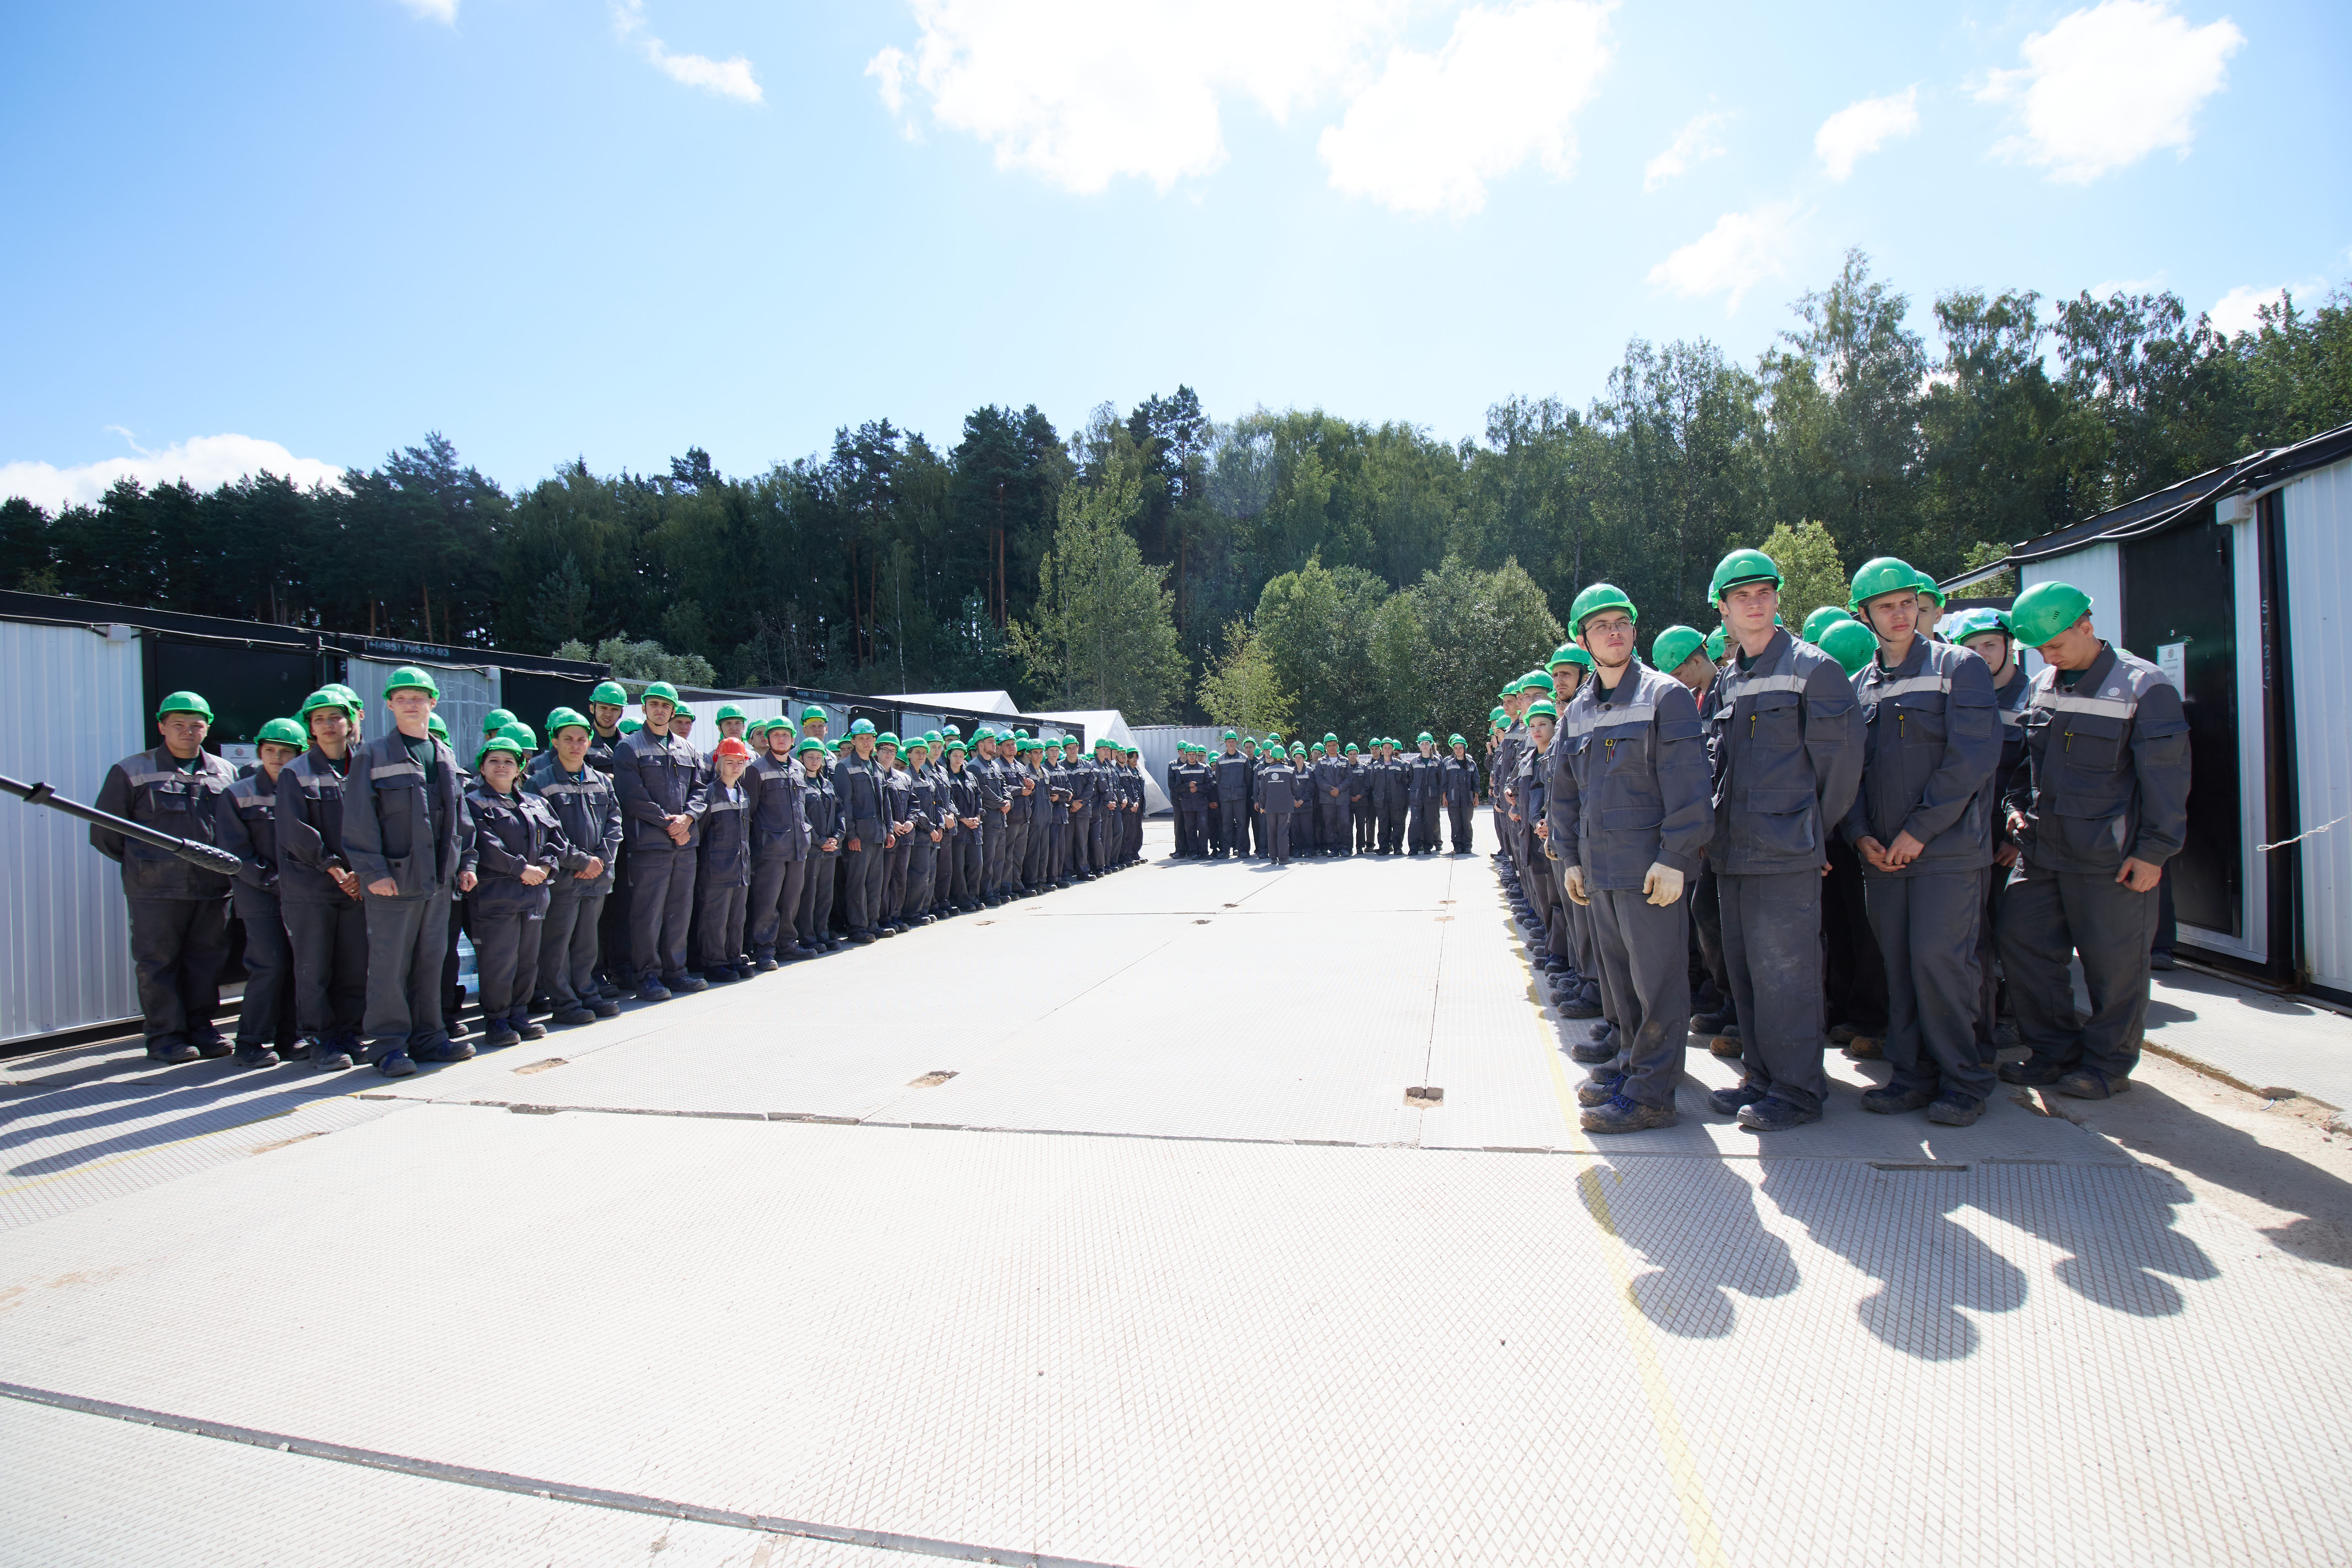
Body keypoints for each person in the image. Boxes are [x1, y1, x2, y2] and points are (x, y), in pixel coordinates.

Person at [1996, 581, 2191, 1099]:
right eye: (2040, 649)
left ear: (2086, 626)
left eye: (2056, 644)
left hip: (2111, 858)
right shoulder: (2043, 685)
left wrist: (2154, 853)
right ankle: (2053, 1052)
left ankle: (2107, 1065)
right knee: (2023, 943)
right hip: (2042, 851)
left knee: (2115, 966)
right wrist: (2013, 809)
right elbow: (2026, 764)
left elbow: (2168, 781)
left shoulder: (2143, 686)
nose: (2049, 656)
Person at [1699, 549, 1862, 1132]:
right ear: (1723, 609)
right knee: (1746, 970)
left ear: (1776, 598)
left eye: (1764, 593)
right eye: (1741, 596)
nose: (1755, 603)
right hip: (1735, 850)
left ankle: (1797, 1089)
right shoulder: (1730, 678)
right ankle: (1762, 1077)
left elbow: (1841, 767)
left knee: (1787, 974)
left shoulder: (1814, 669)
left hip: (1786, 851)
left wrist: (1811, 832)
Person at [1544, 585, 1715, 1132]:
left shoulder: (1665, 696)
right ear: (1584, 640)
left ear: (1635, 630)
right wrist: (1570, 857)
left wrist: (1675, 857)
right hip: (1600, 872)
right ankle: (1631, 1067)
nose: (1614, 632)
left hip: (1649, 872)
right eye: (1601, 626)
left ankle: (1652, 1096)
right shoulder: (1580, 711)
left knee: (1659, 984)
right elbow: (1564, 792)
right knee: (1622, 987)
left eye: (1622, 622)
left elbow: (1690, 786)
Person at [1840, 558, 2002, 1125]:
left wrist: (1920, 831)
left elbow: (1972, 759)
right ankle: (1911, 1075)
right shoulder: (1860, 687)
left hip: (1946, 854)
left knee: (1942, 965)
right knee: (1900, 968)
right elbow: (1850, 772)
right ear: (1865, 616)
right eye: (1886, 606)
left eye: (1907, 603)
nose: (1901, 614)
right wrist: (1859, 834)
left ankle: (1964, 1080)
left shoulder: (1960, 668)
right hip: (1883, 857)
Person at [340, 666, 475, 1078]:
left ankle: (429, 1037)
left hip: (438, 881)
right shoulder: (373, 754)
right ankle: (389, 1045)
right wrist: (373, 872)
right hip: (394, 882)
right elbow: (359, 819)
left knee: (431, 962)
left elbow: (461, 818)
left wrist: (466, 863)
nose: (411, 704)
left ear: (433, 702)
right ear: (389, 705)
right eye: (402, 698)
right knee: (390, 966)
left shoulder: (444, 754)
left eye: (418, 697)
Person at [91, 691, 241, 1063]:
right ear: (161, 727)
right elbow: (106, 834)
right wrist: (145, 864)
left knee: (206, 960)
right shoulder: (131, 771)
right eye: (178, 724)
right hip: (155, 891)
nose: (188, 731)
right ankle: (165, 1037)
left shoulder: (226, 772)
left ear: (207, 728)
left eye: (196, 725)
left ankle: (201, 1027)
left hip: (213, 887)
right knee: (158, 962)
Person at [1950, 606, 2033, 1050]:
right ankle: (1985, 1021)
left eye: (1990, 645)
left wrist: (2017, 839)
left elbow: (2037, 773)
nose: (1982, 654)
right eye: (1972, 648)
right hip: (1971, 837)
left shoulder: (2033, 698)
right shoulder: (1960, 695)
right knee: (1976, 936)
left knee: (2018, 935)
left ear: (2009, 646)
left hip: (2013, 841)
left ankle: (2016, 1018)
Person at [276, 688, 369, 1065]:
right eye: (319, 720)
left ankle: (350, 1033)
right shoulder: (295, 772)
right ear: (310, 728)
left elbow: (378, 821)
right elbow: (294, 829)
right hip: (312, 888)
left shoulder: (365, 766)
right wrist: (335, 867)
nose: (328, 725)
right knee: (314, 967)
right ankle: (321, 1039)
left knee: (354, 965)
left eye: (335, 717)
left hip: (358, 886)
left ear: (350, 722)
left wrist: (363, 871)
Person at [215, 717, 308, 1067]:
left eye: (286, 752)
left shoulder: (306, 791)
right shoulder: (238, 794)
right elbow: (235, 853)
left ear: (300, 755)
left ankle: (290, 1037)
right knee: (269, 965)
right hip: (259, 895)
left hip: (303, 895)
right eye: (270, 750)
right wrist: (275, 882)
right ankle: (250, 1042)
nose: (277, 758)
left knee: (300, 964)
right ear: (260, 752)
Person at [462, 733, 564, 1047]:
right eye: (494, 761)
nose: (502, 766)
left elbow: (557, 839)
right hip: (497, 897)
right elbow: (485, 844)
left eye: (509, 761)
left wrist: (545, 867)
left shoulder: (536, 802)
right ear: (482, 768)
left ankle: (519, 1015)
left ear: (520, 768)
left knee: (527, 961)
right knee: (499, 961)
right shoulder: (473, 802)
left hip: (534, 894)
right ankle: (497, 1020)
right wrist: (522, 869)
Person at [524, 708, 622, 1024]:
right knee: (558, 943)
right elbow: (542, 833)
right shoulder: (539, 783)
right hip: (563, 879)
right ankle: (565, 1003)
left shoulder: (601, 782)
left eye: (582, 739)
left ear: (589, 742)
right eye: (568, 739)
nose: (576, 745)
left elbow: (615, 823)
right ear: (555, 742)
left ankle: (587, 993)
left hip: (596, 877)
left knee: (587, 942)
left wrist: (601, 860)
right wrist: (581, 861)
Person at [611, 680, 708, 998]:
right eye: (654, 704)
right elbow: (632, 797)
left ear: (673, 710)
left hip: (685, 843)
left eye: (666, 705)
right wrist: (671, 824)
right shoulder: (629, 748)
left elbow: (700, 791)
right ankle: (648, 977)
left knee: (679, 910)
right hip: (649, 845)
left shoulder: (688, 749)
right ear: (644, 708)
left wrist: (688, 818)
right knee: (648, 914)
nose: (660, 710)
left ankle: (676, 972)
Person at [695, 736, 755, 978]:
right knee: (715, 918)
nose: (736, 767)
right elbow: (700, 834)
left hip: (741, 868)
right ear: (719, 763)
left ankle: (733, 957)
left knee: (737, 918)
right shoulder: (709, 794)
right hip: (716, 870)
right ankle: (714, 963)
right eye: (730, 762)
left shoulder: (743, 794)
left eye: (740, 762)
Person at [834, 720, 888, 942]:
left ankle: (872, 924)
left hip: (877, 835)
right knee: (857, 884)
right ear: (854, 741)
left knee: (875, 883)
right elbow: (844, 804)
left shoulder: (877, 767)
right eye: (861, 738)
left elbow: (885, 803)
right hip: (859, 837)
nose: (866, 742)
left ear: (875, 740)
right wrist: (851, 835)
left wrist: (889, 830)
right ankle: (858, 928)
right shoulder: (844, 767)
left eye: (869, 738)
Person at [793, 737, 843, 952]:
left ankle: (823, 933)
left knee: (825, 895)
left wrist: (838, 837)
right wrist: (821, 841)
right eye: (810, 757)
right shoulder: (799, 785)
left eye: (818, 757)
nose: (815, 761)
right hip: (812, 850)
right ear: (801, 758)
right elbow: (801, 818)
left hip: (831, 849)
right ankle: (808, 937)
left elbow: (840, 812)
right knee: (809, 895)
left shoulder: (827, 785)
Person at [1441, 735, 1478, 854]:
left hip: (1468, 799)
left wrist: (1476, 796)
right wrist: (1444, 796)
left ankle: (1467, 846)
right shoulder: (1449, 764)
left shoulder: (1471, 764)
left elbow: (1476, 781)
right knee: (1456, 823)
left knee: (1467, 822)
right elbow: (1444, 782)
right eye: (1456, 748)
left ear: (1465, 749)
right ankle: (1458, 846)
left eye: (1460, 748)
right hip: (1453, 799)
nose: (1458, 750)